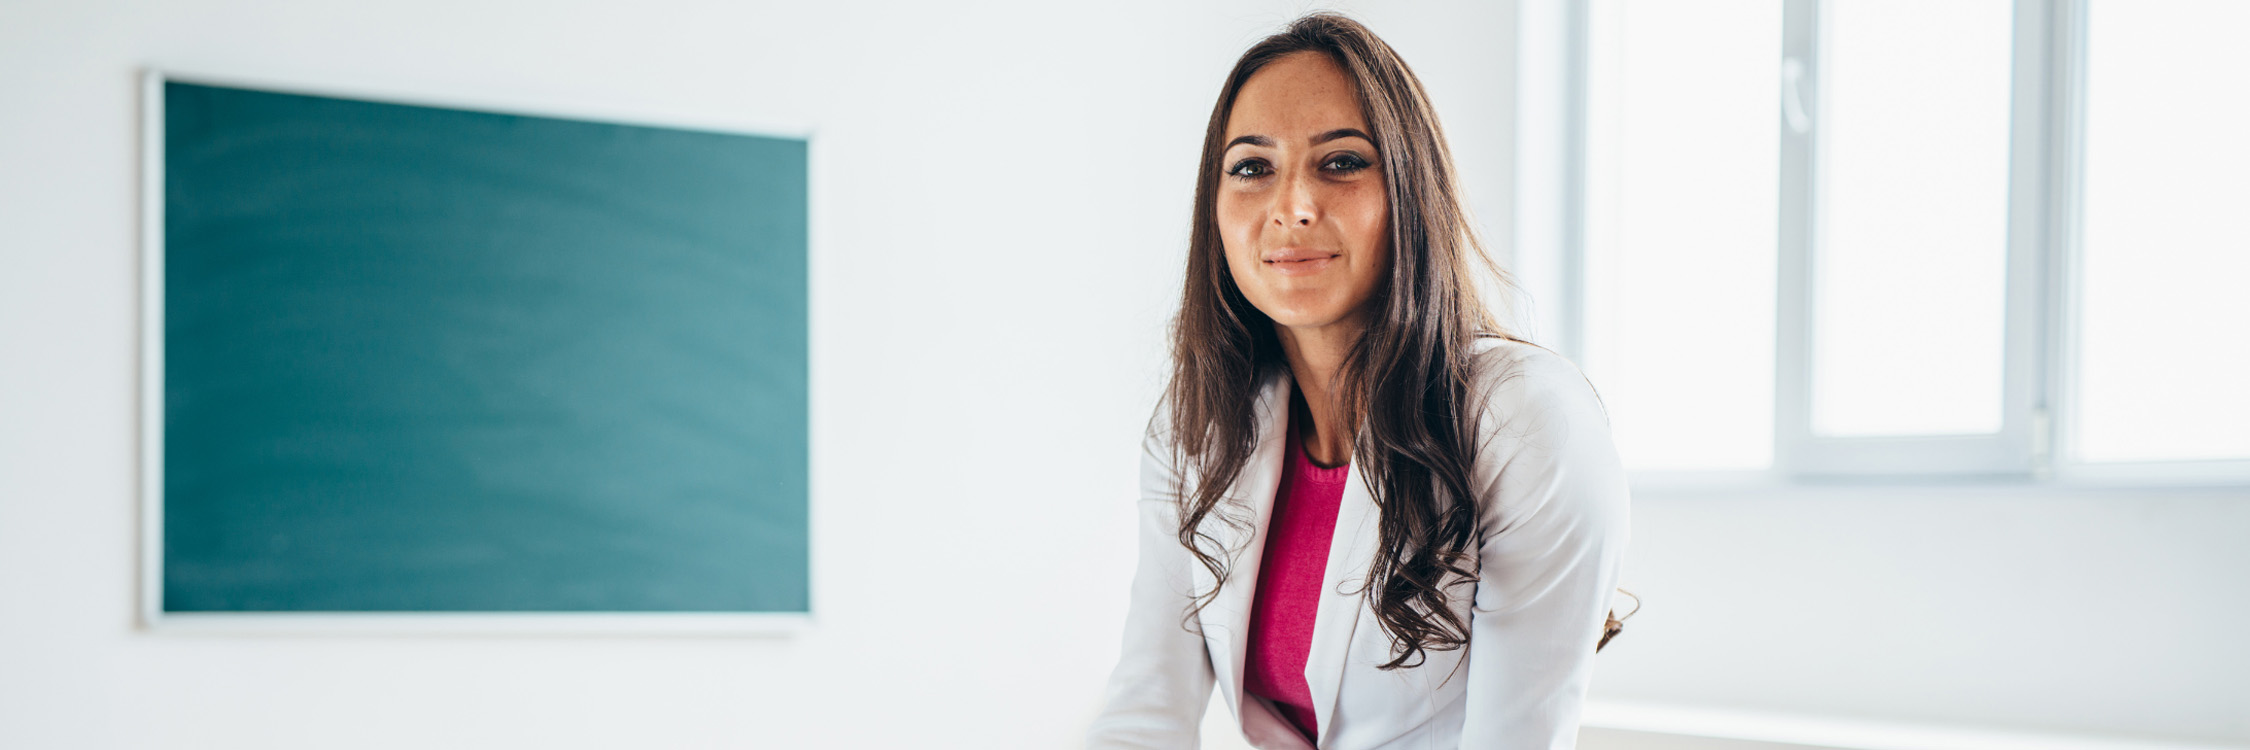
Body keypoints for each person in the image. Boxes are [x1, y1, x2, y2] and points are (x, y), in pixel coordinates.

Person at [1087, 13, 1632, 750]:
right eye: (1251, 168)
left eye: (1340, 162)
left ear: (1410, 191)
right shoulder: (1198, 426)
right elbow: (1145, 709)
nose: (1291, 207)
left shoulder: (1528, 417)